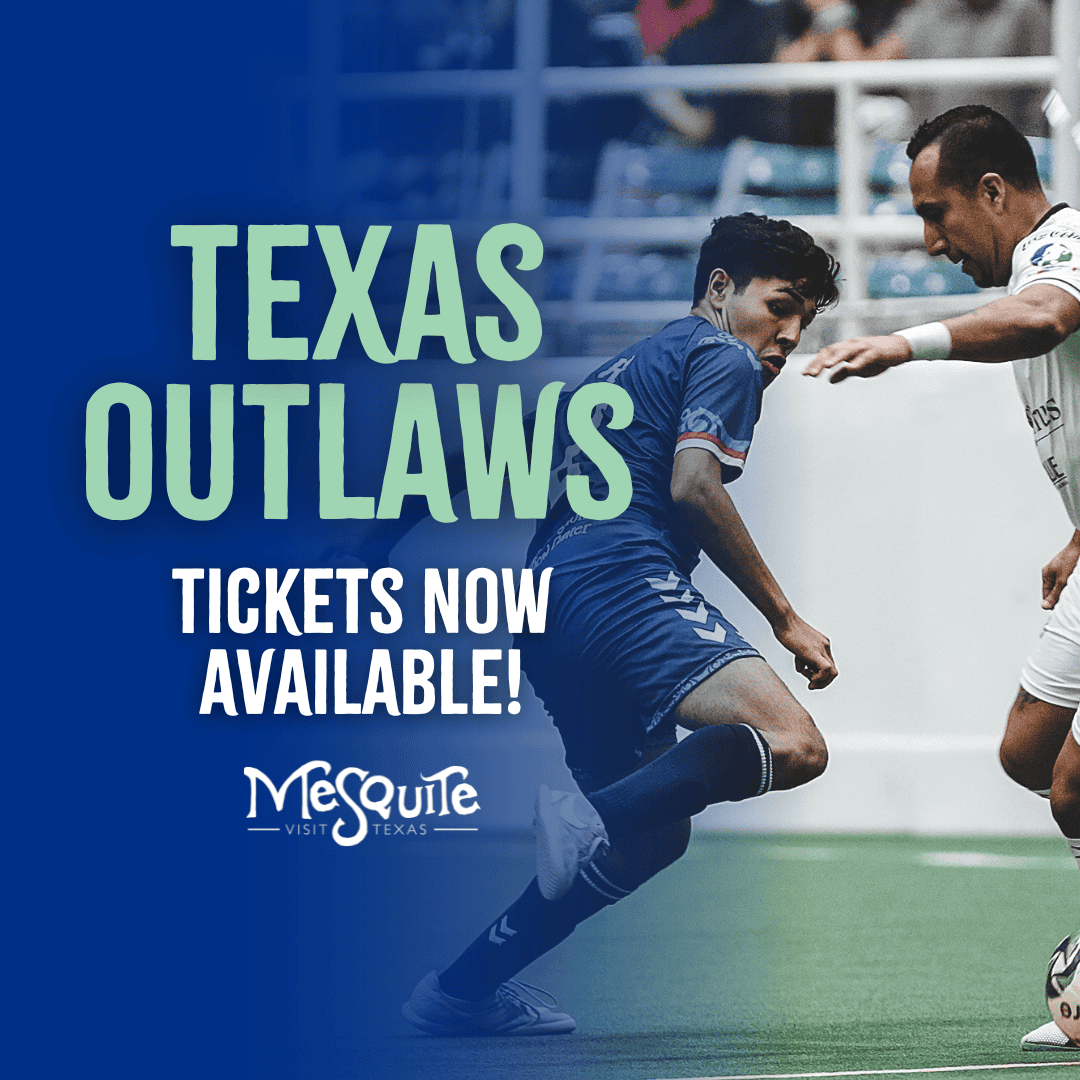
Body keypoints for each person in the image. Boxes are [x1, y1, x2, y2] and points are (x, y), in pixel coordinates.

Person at [400, 213, 841, 1035]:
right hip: (619, 579)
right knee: (793, 744)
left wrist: (360, 546)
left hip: (545, 610)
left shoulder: (614, 371)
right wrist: (786, 618)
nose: (788, 336)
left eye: (805, 321)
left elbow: (464, 461)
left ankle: (459, 990)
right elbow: (694, 487)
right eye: (781, 305)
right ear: (718, 289)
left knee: (653, 837)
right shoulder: (721, 354)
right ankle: (586, 816)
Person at [803, 105, 1080, 1051]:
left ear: (994, 192)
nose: (931, 240)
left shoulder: (1060, 253)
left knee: (1072, 778)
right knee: (1034, 759)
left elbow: (1045, 320)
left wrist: (905, 342)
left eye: (939, 212)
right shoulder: (1035, 258)